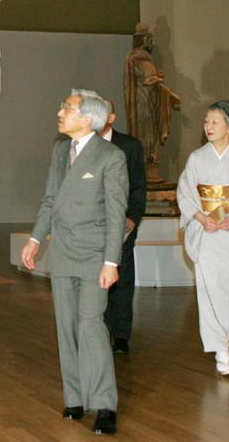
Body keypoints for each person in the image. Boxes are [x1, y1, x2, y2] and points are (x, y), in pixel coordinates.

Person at [21, 90, 129, 435]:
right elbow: (51, 199)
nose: (60, 111)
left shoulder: (111, 157)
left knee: (91, 326)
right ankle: (75, 397)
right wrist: (36, 239)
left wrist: (111, 261)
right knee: (66, 326)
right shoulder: (59, 151)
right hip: (63, 253)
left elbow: (116, 215)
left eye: (67, 107)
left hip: (95, 255)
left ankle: (104, 404)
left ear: (87, 119)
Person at [175, 101, 229, 376]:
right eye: (206, 121)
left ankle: (224, 338)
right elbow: (186, 194)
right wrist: (202, 218)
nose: (208, 126)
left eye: (215, 121)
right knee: (209, 292)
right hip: (208, 235)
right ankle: (221, 348)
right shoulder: (197, 159)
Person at [95, 96, 147, 354]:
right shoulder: (82, 145)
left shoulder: (129, 146)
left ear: (112, 117)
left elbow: (139, 186)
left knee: (122, 278)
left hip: (122, 225)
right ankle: (99, 332)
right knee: (94, 280)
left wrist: (133, 217)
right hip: (91, 226)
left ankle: (122, 335)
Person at [124, 23, 181, 183]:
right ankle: (149, 165)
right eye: (149, 40)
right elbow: (151, 79)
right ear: (145, 41)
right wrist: (172, 95)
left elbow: (149, 76)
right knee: (147, 133)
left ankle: (148, 165)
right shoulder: (140, 57)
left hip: (141, 102)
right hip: (144, 104)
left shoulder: (132, 57)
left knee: (144, 133)